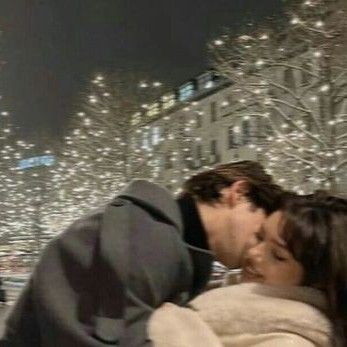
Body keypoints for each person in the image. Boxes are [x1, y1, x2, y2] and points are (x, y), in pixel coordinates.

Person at [0, 161, 283, 346]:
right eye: (259, 234)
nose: (256, 250)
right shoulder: (144, 239)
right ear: (239, 193)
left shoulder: (166, 244)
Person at [149, 192, 347, 347]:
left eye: (277, 256)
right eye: (259, 237)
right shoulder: (221, 298)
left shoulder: (290, 341)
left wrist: (170, 323)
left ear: (319, 279)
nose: (253, 253)